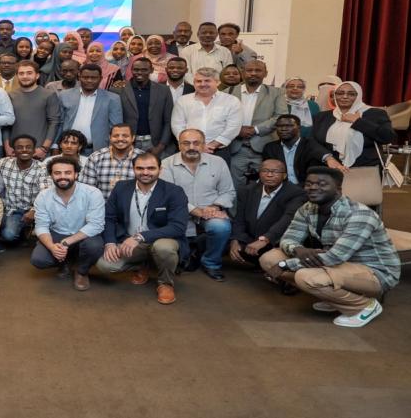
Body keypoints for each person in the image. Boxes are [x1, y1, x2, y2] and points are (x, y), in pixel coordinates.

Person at [260, 167, 400, 328]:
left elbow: (335, 257)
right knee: (269, 259)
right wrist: (297, 249)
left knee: (306, 277)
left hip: (375, 272)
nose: (313, 188)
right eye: (309, 184)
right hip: (339, 264)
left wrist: (285, 264)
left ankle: (364, 306)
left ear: (338, 188)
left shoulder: (359, 214)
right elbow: (288, 239)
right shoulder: (308, 208)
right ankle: (335, 298)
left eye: (322, 184)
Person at [97, 153, 189, 304]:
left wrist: (140, 236)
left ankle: (165, 283)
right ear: (133, 169)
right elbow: (109, 218)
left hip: (161, 240)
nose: (145, 172)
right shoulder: (121, 187)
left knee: (163, 248)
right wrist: (110, 242)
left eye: (151, 168)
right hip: (130, 242)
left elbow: (178, 227)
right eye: (140, 168)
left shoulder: (174, 191)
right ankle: (143, 265)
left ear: (160, 170)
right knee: (105, 265)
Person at [160, 129, 236, 281]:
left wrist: (214, 207)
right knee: (180, 254)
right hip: (179, 213)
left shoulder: (218, 162)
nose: (191, 147)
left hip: (210, 211)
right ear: (179, 145)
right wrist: (197, 211)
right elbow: (169, 196)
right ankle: (188, 254)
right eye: (186, 143)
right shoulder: (166, 164)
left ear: (203, 144)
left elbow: (228, 191)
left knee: (221, 227)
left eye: (196, 143)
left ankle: (211, 263)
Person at [30, 157, 106, 291]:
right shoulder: (43, 196)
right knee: (39, 260)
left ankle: (81, 271)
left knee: (94, 246)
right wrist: (52, 247)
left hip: (84, 235)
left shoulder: (92, 193)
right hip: (57, 233)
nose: (62, 176)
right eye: (57, 173)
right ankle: (65, 262)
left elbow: (96, 225)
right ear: (51, 175)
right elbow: (41, 226)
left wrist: (66, 242)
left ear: (76, 174)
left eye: (68, 172)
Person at [229, 159, 307, 279]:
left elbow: (288, 219)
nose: (269, 175)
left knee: (271, 255)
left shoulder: (296, 193)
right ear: (259, 173)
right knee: (220, 238)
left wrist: (265, 239)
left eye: (275, 171)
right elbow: (239, 218)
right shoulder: (247, 190)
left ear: (284, 175)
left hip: (274, 241)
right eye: (265, 171)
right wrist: (235, 240)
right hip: (250, 239)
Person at [312, 81, 396, 174]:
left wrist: (358, 121)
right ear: (334, 95)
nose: (345, 96)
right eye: (340, 93)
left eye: (351, 94)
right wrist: (328, 158)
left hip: (365, 171)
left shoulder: (375, 113)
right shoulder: (322, 116)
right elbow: (312, 141)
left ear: (359, 95)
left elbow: (388, 137)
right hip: (330, 169)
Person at [226, 59, 285, 186]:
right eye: (249, 70)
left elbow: (280, 116)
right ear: (242, 72)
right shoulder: (227, 92)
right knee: (234, 187)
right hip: (236, 147)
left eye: (258, 70)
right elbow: (220, 118)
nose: (253, 73)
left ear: (265, 73)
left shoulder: (277, 92)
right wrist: (237, 130)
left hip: (264, 147)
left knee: (263, 186)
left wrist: (256, 129)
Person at [171, 67, 242, 164]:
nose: (202, 84)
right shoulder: (183, 100)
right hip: (188, 150)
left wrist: (212, 145)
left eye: (207, 81)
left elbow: (233, 127)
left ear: (217, 82)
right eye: (198, 81)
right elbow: (177, 125)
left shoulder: (231, 101)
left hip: (218, 151)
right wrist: (192, 145)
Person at [56, 63, 123, 156]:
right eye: (85, 77)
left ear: (100, 78)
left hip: (98, 150)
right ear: (79, 77)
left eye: (94, 78)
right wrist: (55, 145)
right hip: (68, 149)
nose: (89, 80)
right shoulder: (65, 95)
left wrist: (112, 149)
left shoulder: (112, 98)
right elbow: (59, 122)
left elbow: (116, 128)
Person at [0, 134, 47, 245]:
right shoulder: (3, 163)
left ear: (34, 150)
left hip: (27, 211)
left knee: (8, 235)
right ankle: (20, 230)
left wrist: (34, 211)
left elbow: (46, 193)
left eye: (28, 147)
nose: (24, 150)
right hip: (5, 208)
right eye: (19, 147)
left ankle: (23, 230)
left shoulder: (42, 168)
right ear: (14, 150)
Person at [263, 114, 344, 185]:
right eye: (279, 126)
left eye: (289, 126)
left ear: (299, 128)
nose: (283, 128)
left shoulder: (309, 144)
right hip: (281, 189)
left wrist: (329, 159)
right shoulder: (270, 148)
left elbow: (319, 151)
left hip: (306, 188)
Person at [5, 61, 60, 160]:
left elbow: (54, 122)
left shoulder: (49, 95)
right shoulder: (10, 95)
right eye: (21, 73)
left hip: (38, 149)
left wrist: (44, 148)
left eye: (29, 73)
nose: (25, 76)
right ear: (17, 76)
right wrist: (7, 147)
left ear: (37, 75)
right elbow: (6, 124)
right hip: (14, 150)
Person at [118, 57, 174, 155]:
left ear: (151, 70)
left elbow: (168, 121)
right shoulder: (118, 90)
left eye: (144, 70)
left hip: (154, 143)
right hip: (128, 143)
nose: (139, 72)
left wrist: (161, 146)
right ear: (131, 70)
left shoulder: (164, 90)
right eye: (136, 69)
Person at [82, 124, 144, 199]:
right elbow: (88, 190)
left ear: (133, 138)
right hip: (102, 205)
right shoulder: (95, 158)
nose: (120, 139)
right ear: (110, 138)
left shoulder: (143, 158)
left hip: (134, 205)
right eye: (116, 136)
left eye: (125, 136)